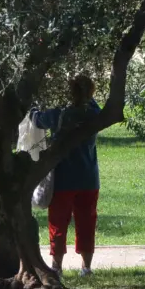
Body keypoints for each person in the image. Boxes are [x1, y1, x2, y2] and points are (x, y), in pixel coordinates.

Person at [31, 74, 101, 277]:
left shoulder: (60, 113)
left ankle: (57, 267)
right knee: (87, 222)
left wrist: (33, 107)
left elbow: (38, 120)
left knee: (58, 223)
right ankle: (86, 267)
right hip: (89, 178)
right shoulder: (95, 112)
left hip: (63, 178)